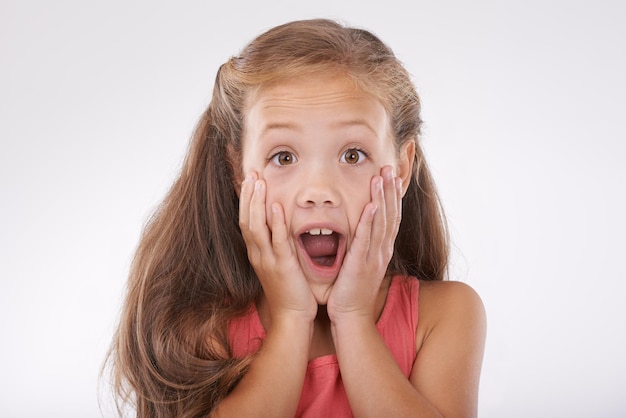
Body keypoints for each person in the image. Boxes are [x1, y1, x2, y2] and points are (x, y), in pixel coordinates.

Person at [106, 18, 486, 418]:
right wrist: (291, 318)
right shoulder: (203, 327)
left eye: (353, 155)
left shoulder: (446, 316)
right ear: (238, 171)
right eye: (283, 157)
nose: (318, 191)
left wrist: (353, 318)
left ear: (402, 168)